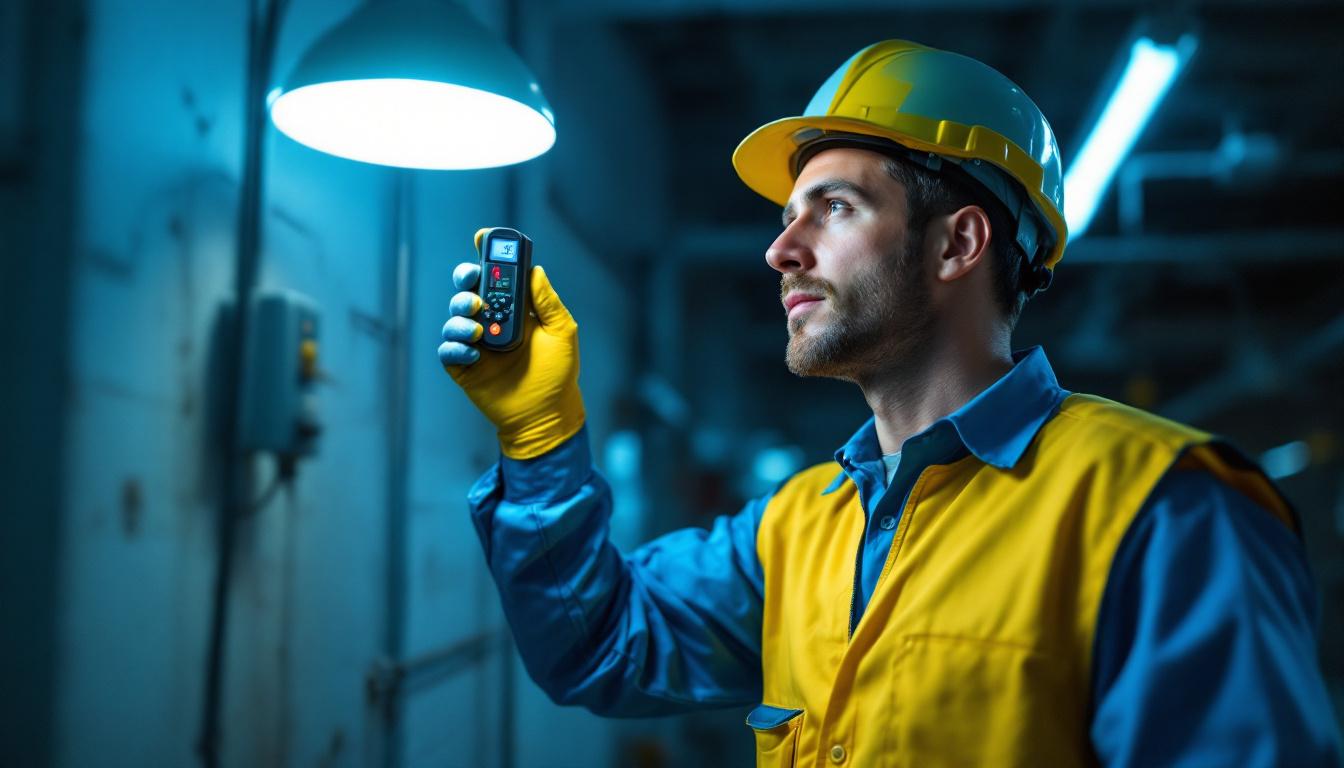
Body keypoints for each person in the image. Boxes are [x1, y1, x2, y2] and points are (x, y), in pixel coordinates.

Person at [438, 40, 1342, 766]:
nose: (780, 251)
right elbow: (599, 646)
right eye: (786, 216)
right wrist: (540, 432)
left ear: (959, 243)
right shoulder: (793, 530)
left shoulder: (1164, 508)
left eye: (831, 208)